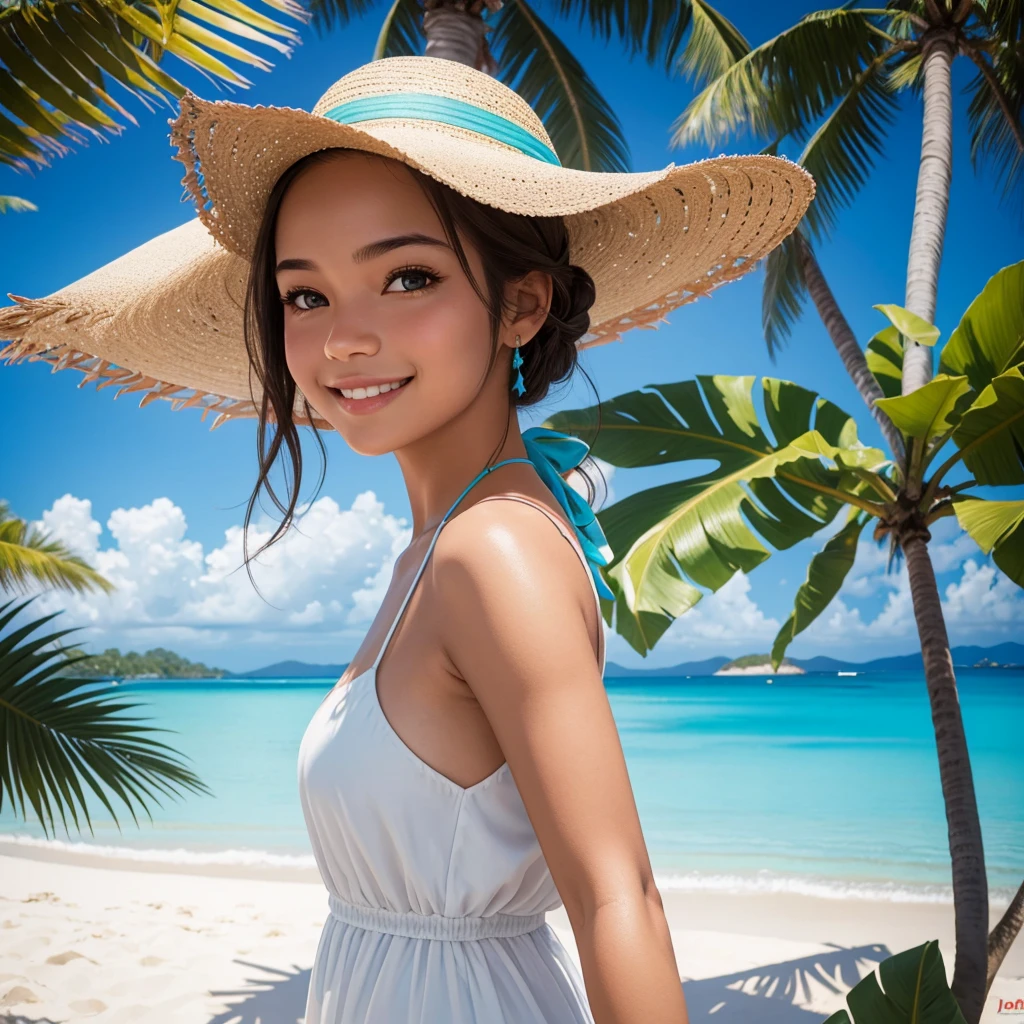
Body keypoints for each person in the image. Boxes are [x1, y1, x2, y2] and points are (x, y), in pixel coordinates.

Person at [0, 56, 813, 1024]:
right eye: (305, 295)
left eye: (406, 277)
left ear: (522, 303)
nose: (343, 337)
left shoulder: (492, 553)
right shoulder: (441, 546)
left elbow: (616, 898)